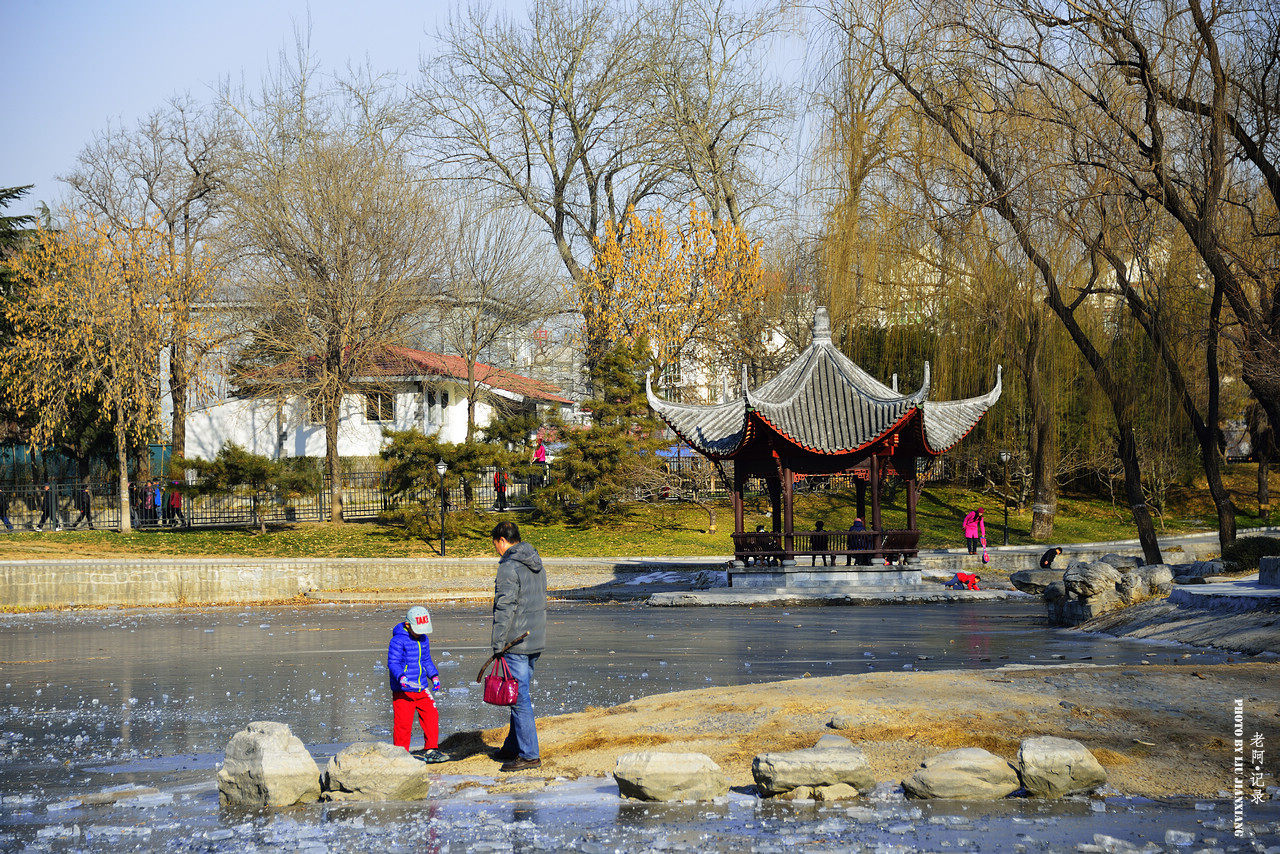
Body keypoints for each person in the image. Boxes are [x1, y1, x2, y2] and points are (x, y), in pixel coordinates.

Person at [490, 520, 547, 772]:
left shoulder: (508, 567)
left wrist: (497, 644)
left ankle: (529, 755)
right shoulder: (536, 562)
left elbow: (505, 607)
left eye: (495, 545)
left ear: (502, 540)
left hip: (515, 641)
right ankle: (513, 746)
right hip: (535, 639)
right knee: (517, 694)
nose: (496, 550)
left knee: (519, 699)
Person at [387, 605, 448, 763]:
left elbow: (426, 660)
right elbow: (393, 663)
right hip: (404, 690)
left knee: (431, 715)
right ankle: (400, 755)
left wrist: (433, 675)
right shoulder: (398, 640)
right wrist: (401, 677)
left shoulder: (423, 639)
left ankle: (431, 750)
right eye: (418, 629)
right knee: (403, 724)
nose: (421, 633)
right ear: (408, 625)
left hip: (421, 687)